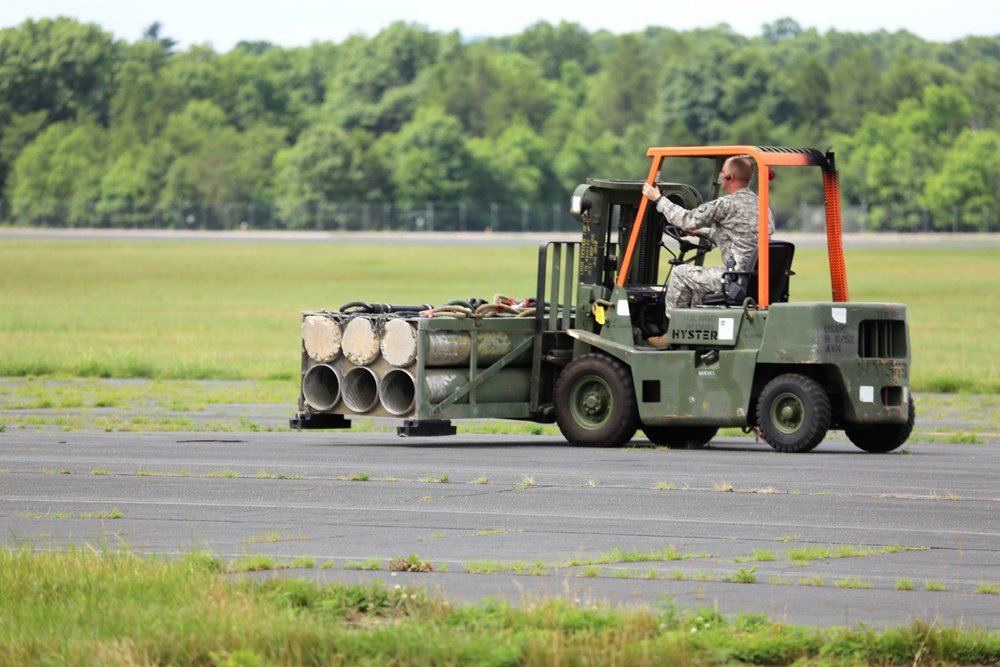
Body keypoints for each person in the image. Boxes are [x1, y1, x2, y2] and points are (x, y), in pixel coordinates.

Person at [640, 155, 775, 348]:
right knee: (696, 287)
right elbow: (736, 236)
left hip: (735, 280)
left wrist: (658, 199)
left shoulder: (726, 204)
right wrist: (701, 232)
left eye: (722, 175)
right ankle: (693, 337)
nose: (721, 178)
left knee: (680, 273)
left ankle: (671, 332)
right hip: (754, 279)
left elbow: (686, 219)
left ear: (729, 178)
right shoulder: (762, 206)